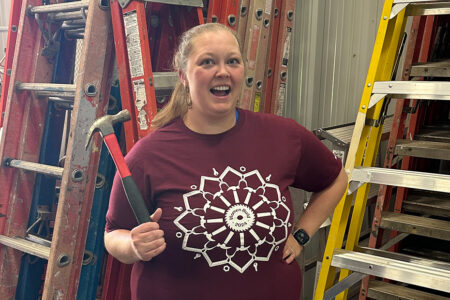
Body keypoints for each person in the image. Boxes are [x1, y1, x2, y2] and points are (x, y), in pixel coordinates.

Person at [104, 23, 348, 300]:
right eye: (207, 62)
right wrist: (133, 246)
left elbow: (335, 179)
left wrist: (302, 235)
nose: (223, 72)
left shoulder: (284, 136)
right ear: (183, 75)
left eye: (232, 61)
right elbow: (113, 233)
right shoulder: (148, 156)